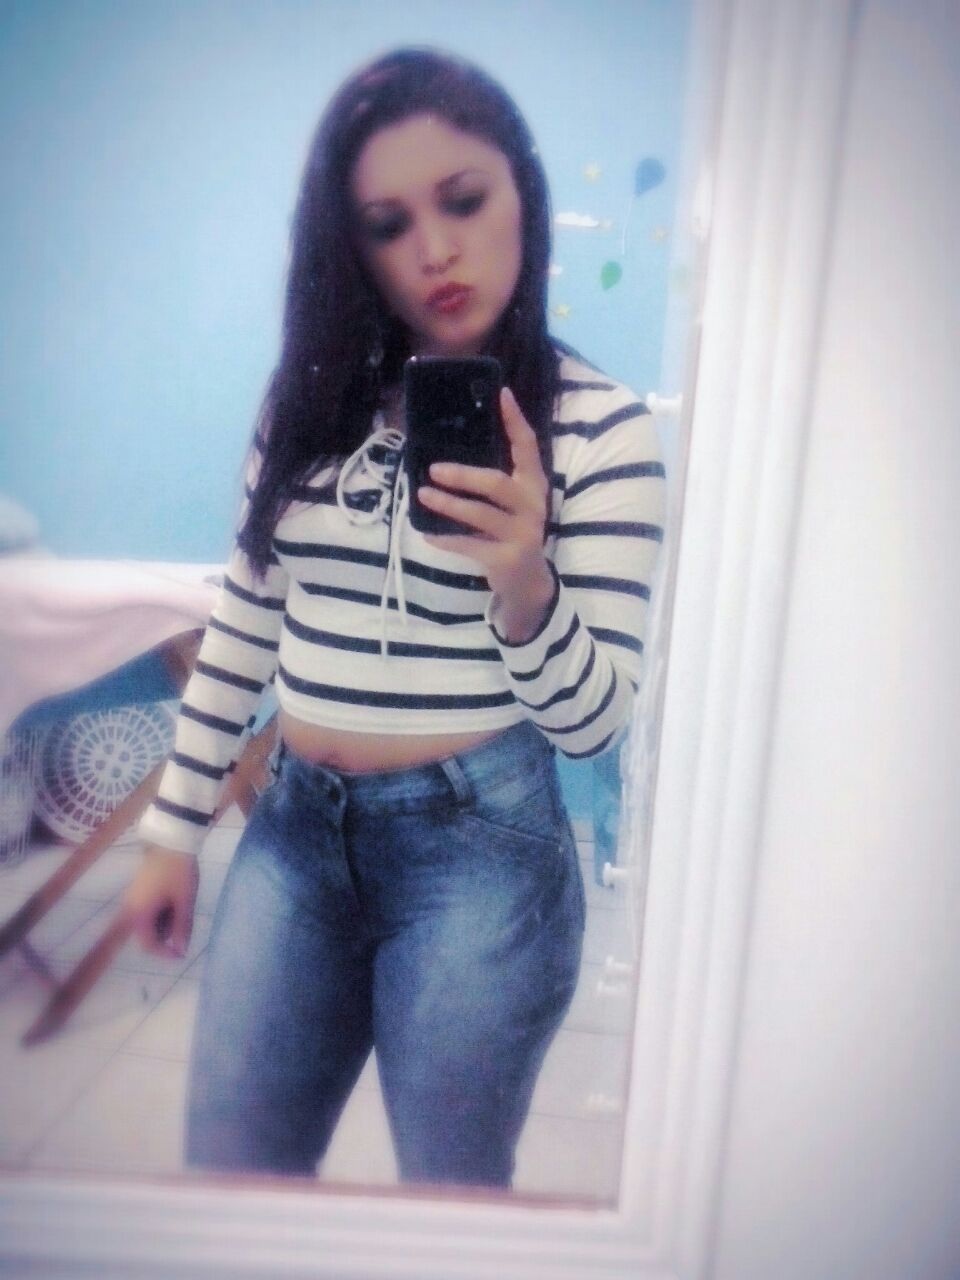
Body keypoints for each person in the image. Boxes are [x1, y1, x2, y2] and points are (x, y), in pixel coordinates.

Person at [123, 46, 665, 1190]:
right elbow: (245, 619)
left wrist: (525, 584)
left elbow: (592, 728)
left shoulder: (604, 429)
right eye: (388, 222)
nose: (435, 249)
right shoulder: (307, 401)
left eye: (464, 199)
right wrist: (172, 828)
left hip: (480, 852)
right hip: (290, 833)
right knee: (233, 1172)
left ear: (523, 195)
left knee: (448, 1194)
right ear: (351, 244)